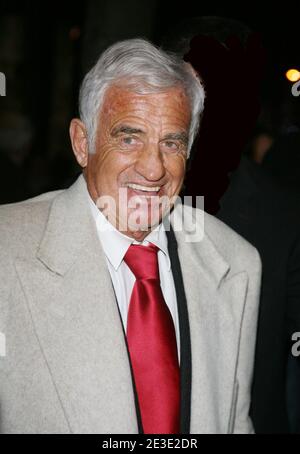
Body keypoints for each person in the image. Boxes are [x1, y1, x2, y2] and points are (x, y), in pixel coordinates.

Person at [0, 38, 261, 434]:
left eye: (171, 142)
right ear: (82, 143)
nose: (154, 169)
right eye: (129, 138)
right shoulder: (8, 249)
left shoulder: (235, 263)